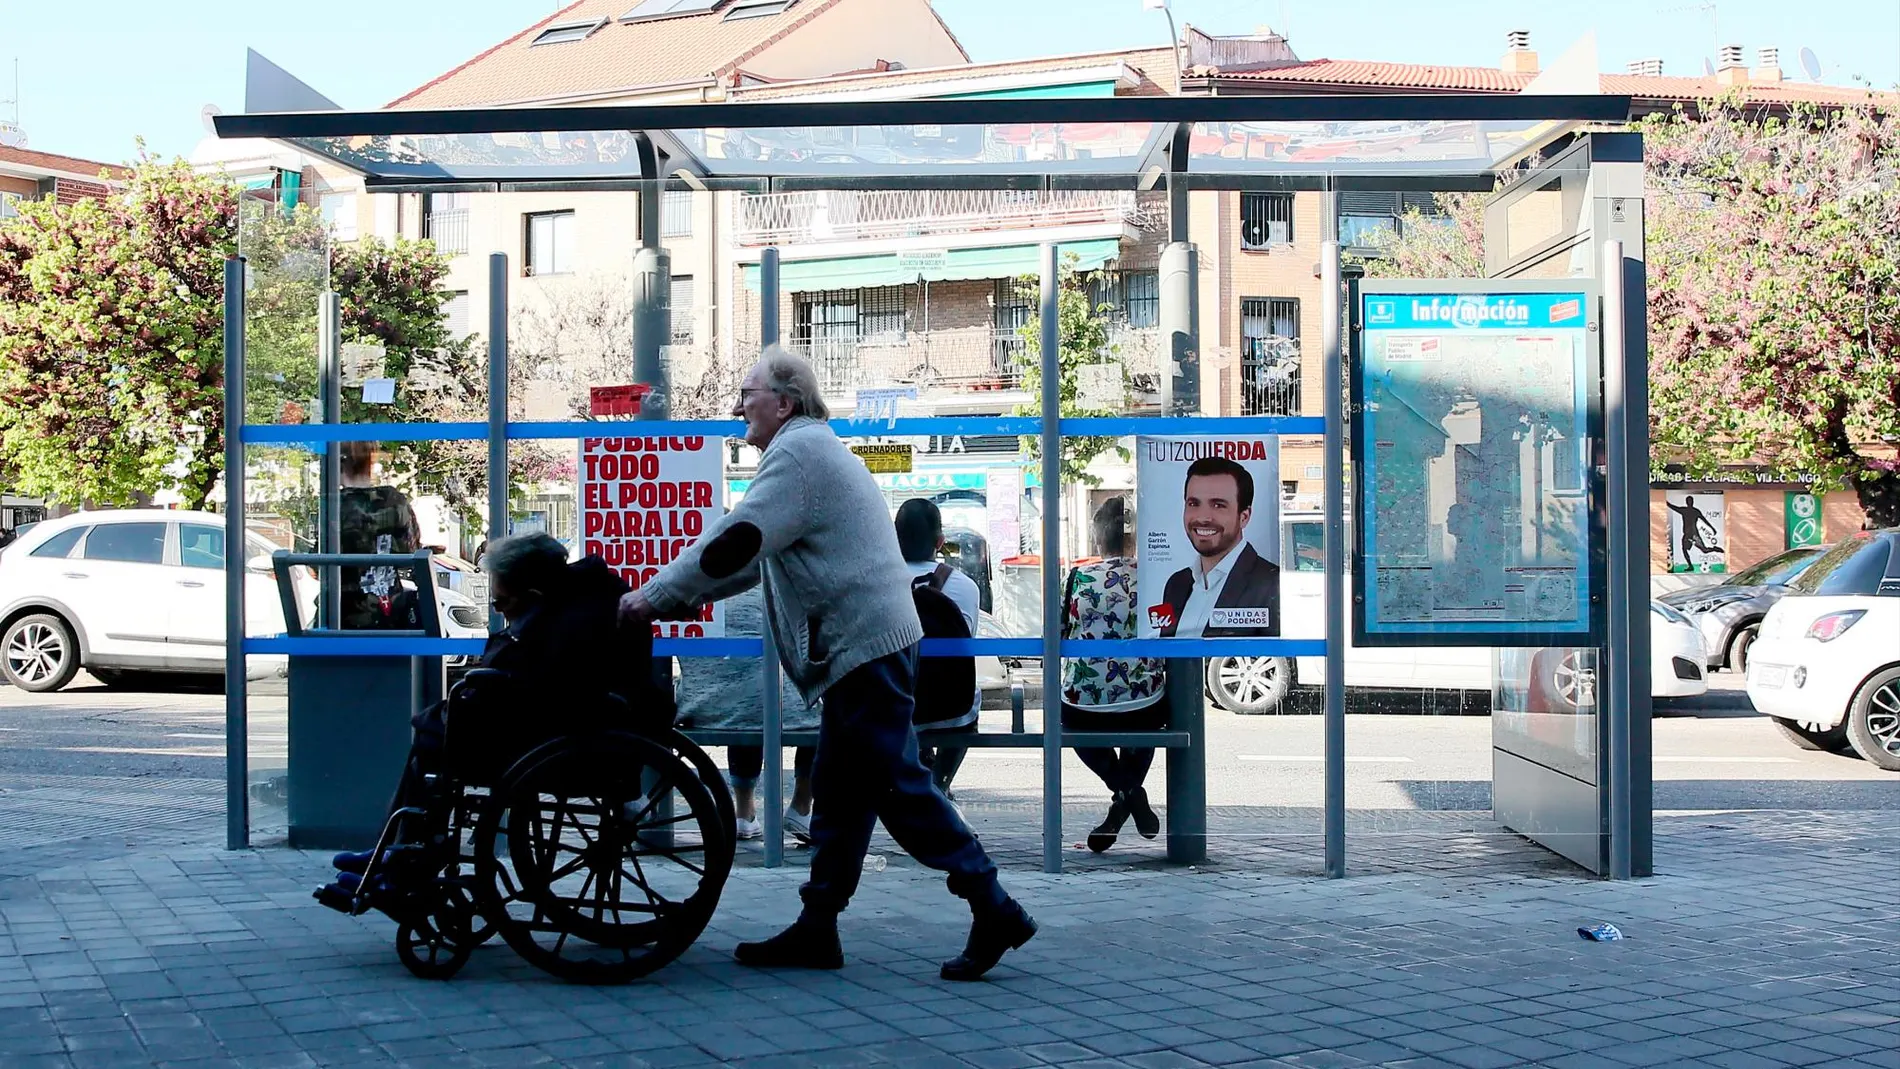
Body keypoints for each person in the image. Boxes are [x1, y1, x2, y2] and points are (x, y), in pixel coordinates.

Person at [621, 346, 1035, 982]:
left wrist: (650, 599)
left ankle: (993, 903)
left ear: (784, 402)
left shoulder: (798, 454)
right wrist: (672, 596)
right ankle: (818, 926)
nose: (738, 407)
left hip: (865, 648)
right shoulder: (809, 451)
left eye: (748, 393)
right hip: (868, 646)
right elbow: (751, 560)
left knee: (896, 786)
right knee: (842, 792)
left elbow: (737, 540)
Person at [323, 534, 668, 891]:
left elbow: (539, 686)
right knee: (434, 736)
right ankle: (396, 852)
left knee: (435, 742)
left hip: (573, 739)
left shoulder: (569, 619)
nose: (499, 611)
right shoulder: (575, 601)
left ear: (532, 596)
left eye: (501, 603)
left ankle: (402, 858)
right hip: (568, 726)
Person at [1062, 497, 1168, 852]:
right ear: (1136, 538)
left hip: (1085, 705)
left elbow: (1061, 632)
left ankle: (1125, 794)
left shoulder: (1076, 578)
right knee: (1148, 722)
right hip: (1144, 701)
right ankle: (1131, 795)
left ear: (1096, 541)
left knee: (1072, 727)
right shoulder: (1156, 578)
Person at [674, 584, 820, 843]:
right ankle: (801, 806)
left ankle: (744, 813)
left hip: (704, 706)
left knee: (744, 694)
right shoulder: (780, 584)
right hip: (780, 708)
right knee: (819, 707)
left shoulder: (690, 584)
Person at [894, 498, 982, 797]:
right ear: (940, 542)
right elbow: (964, 644)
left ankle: (925, 781)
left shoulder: (876, 583)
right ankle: (940, 784)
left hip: (894, 704)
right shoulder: (966, 586)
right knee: (969, 704)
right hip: (950, 708)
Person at [1156, 456, 1280, 638]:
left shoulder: (1270, 583)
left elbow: (1275, 663)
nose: (1203, 517)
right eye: (1193, 504)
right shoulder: (1176, 584)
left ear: (1244, 517)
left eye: (1218, 505)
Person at [338, 442, 424, 631]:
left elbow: (317, 563)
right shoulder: (395, 501)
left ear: (340, 466)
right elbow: (411, 552)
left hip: (344, 615)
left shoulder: (336, 506)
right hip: (390, 612)